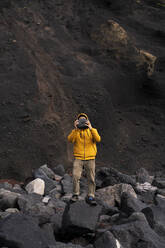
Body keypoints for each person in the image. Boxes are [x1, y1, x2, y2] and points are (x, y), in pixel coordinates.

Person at [67, 113, 101, 205]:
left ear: (87, 121)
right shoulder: (76, 132)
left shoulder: (92, 131)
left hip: (90, 158)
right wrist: (75, 129)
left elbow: (98, 139)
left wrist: (91, 127)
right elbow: (70, 140)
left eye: (84, 120)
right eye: (80, 120)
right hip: (78, 158)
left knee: (91, 178)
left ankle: (91, 196)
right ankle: (75, 194)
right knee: (75, 176)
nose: (82, 122)